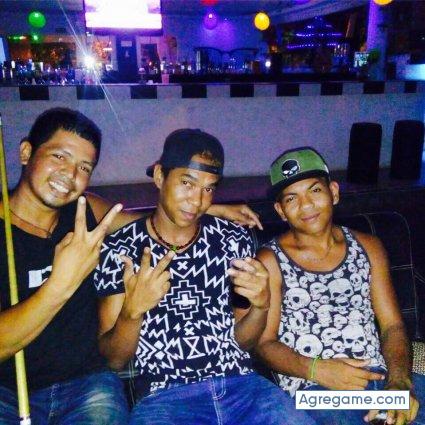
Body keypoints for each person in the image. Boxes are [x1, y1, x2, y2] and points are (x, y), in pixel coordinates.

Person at [0, 108, 261, 424]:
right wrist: (60, 284)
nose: (69, 174)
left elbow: (153, 222)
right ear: (26, 153)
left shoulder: (87, 210)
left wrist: (206, 208)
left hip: (86, 382)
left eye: (84, 167)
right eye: (59, 157)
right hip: (9, 390)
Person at [94, 129, 316, 425]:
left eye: (208, 189)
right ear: (160, 176)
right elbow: (114, 359)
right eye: (187, 183)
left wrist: (261, 306)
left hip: (243, 388)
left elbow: (243, 343)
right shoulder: (121, 250)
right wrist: (132, 313)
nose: (197, 200)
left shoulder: (233, 240)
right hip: (165, 398)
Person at [255, 147, 425, 425]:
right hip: (314, 390)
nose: (306, 205)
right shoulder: (269, 260)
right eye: (291, 198)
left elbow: (392, 325)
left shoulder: (369, 246)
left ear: (333, 192)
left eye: (314, 191)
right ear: (280, 210)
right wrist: (316, 370)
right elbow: (264, 344)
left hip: (379, 378)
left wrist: (399, 383)